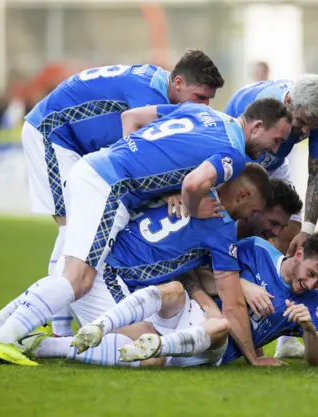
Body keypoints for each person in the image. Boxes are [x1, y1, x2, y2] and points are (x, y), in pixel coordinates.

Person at [0, 99, 291, 366]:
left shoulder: (202, 112)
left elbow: (133, 117)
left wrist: (147, 173)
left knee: (74, 272)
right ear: (257, 126)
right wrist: (193, 205)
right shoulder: (232, 154)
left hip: (96, 169)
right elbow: (195, 184)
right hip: (110, 187)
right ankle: (8, 342)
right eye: (277, 140)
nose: (274, 149)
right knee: (87, 287)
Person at [21, 49, 224, 337]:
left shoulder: (158, 87)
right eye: (200, 97)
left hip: (77, 143)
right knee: (72, 231)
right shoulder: (149, 98)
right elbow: (141, 155)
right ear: (178, 83)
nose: (203, 106)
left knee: (78, 234)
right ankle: (59, 328)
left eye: (208, 100)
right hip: (52, 133)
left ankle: (55, 323)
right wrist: (170, 192)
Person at [36, 233, 318, 369]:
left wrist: (308, 328)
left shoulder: (311, 300)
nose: (310, 283)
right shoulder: (256, 249)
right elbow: (199, 268)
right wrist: (240, 285)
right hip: (192, 308)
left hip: (212, 344)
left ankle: (46, 347)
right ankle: (40, 343)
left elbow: (317, 361)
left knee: (156, 353)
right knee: (171, 289)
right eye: (310, 273)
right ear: (298, 253)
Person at [223, 75, 318, 359]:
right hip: (243, 157)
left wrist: (308, 229)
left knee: (289, 230)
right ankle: (232, 290)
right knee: (237, 225)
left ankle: (286, 328)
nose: (306, 131)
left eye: (313, 126)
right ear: (286, 104)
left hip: (275, 162)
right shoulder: (259, 108)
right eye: (300, 123)